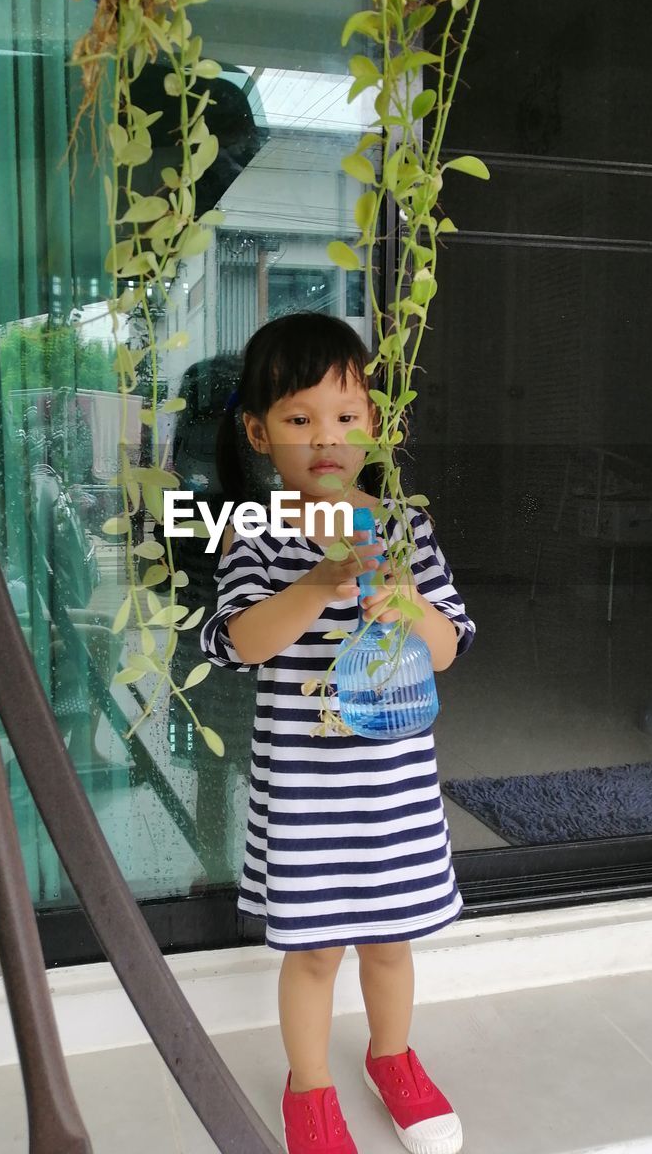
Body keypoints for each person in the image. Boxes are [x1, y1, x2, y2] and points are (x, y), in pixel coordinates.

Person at [199, 313, 475, 1154]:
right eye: (299, 418)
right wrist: (318, 585)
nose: (327, 436)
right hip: (308, 798)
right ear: (257, 431)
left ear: (376, 427)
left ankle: (391, 1057)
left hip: (392, 791)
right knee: (316, 954)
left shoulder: (404, 528)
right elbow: (237, 642)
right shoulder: (254, 531)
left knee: (390, 942)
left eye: (347, 417)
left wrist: (403, 597)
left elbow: (448, 647)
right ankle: (309, 1086)